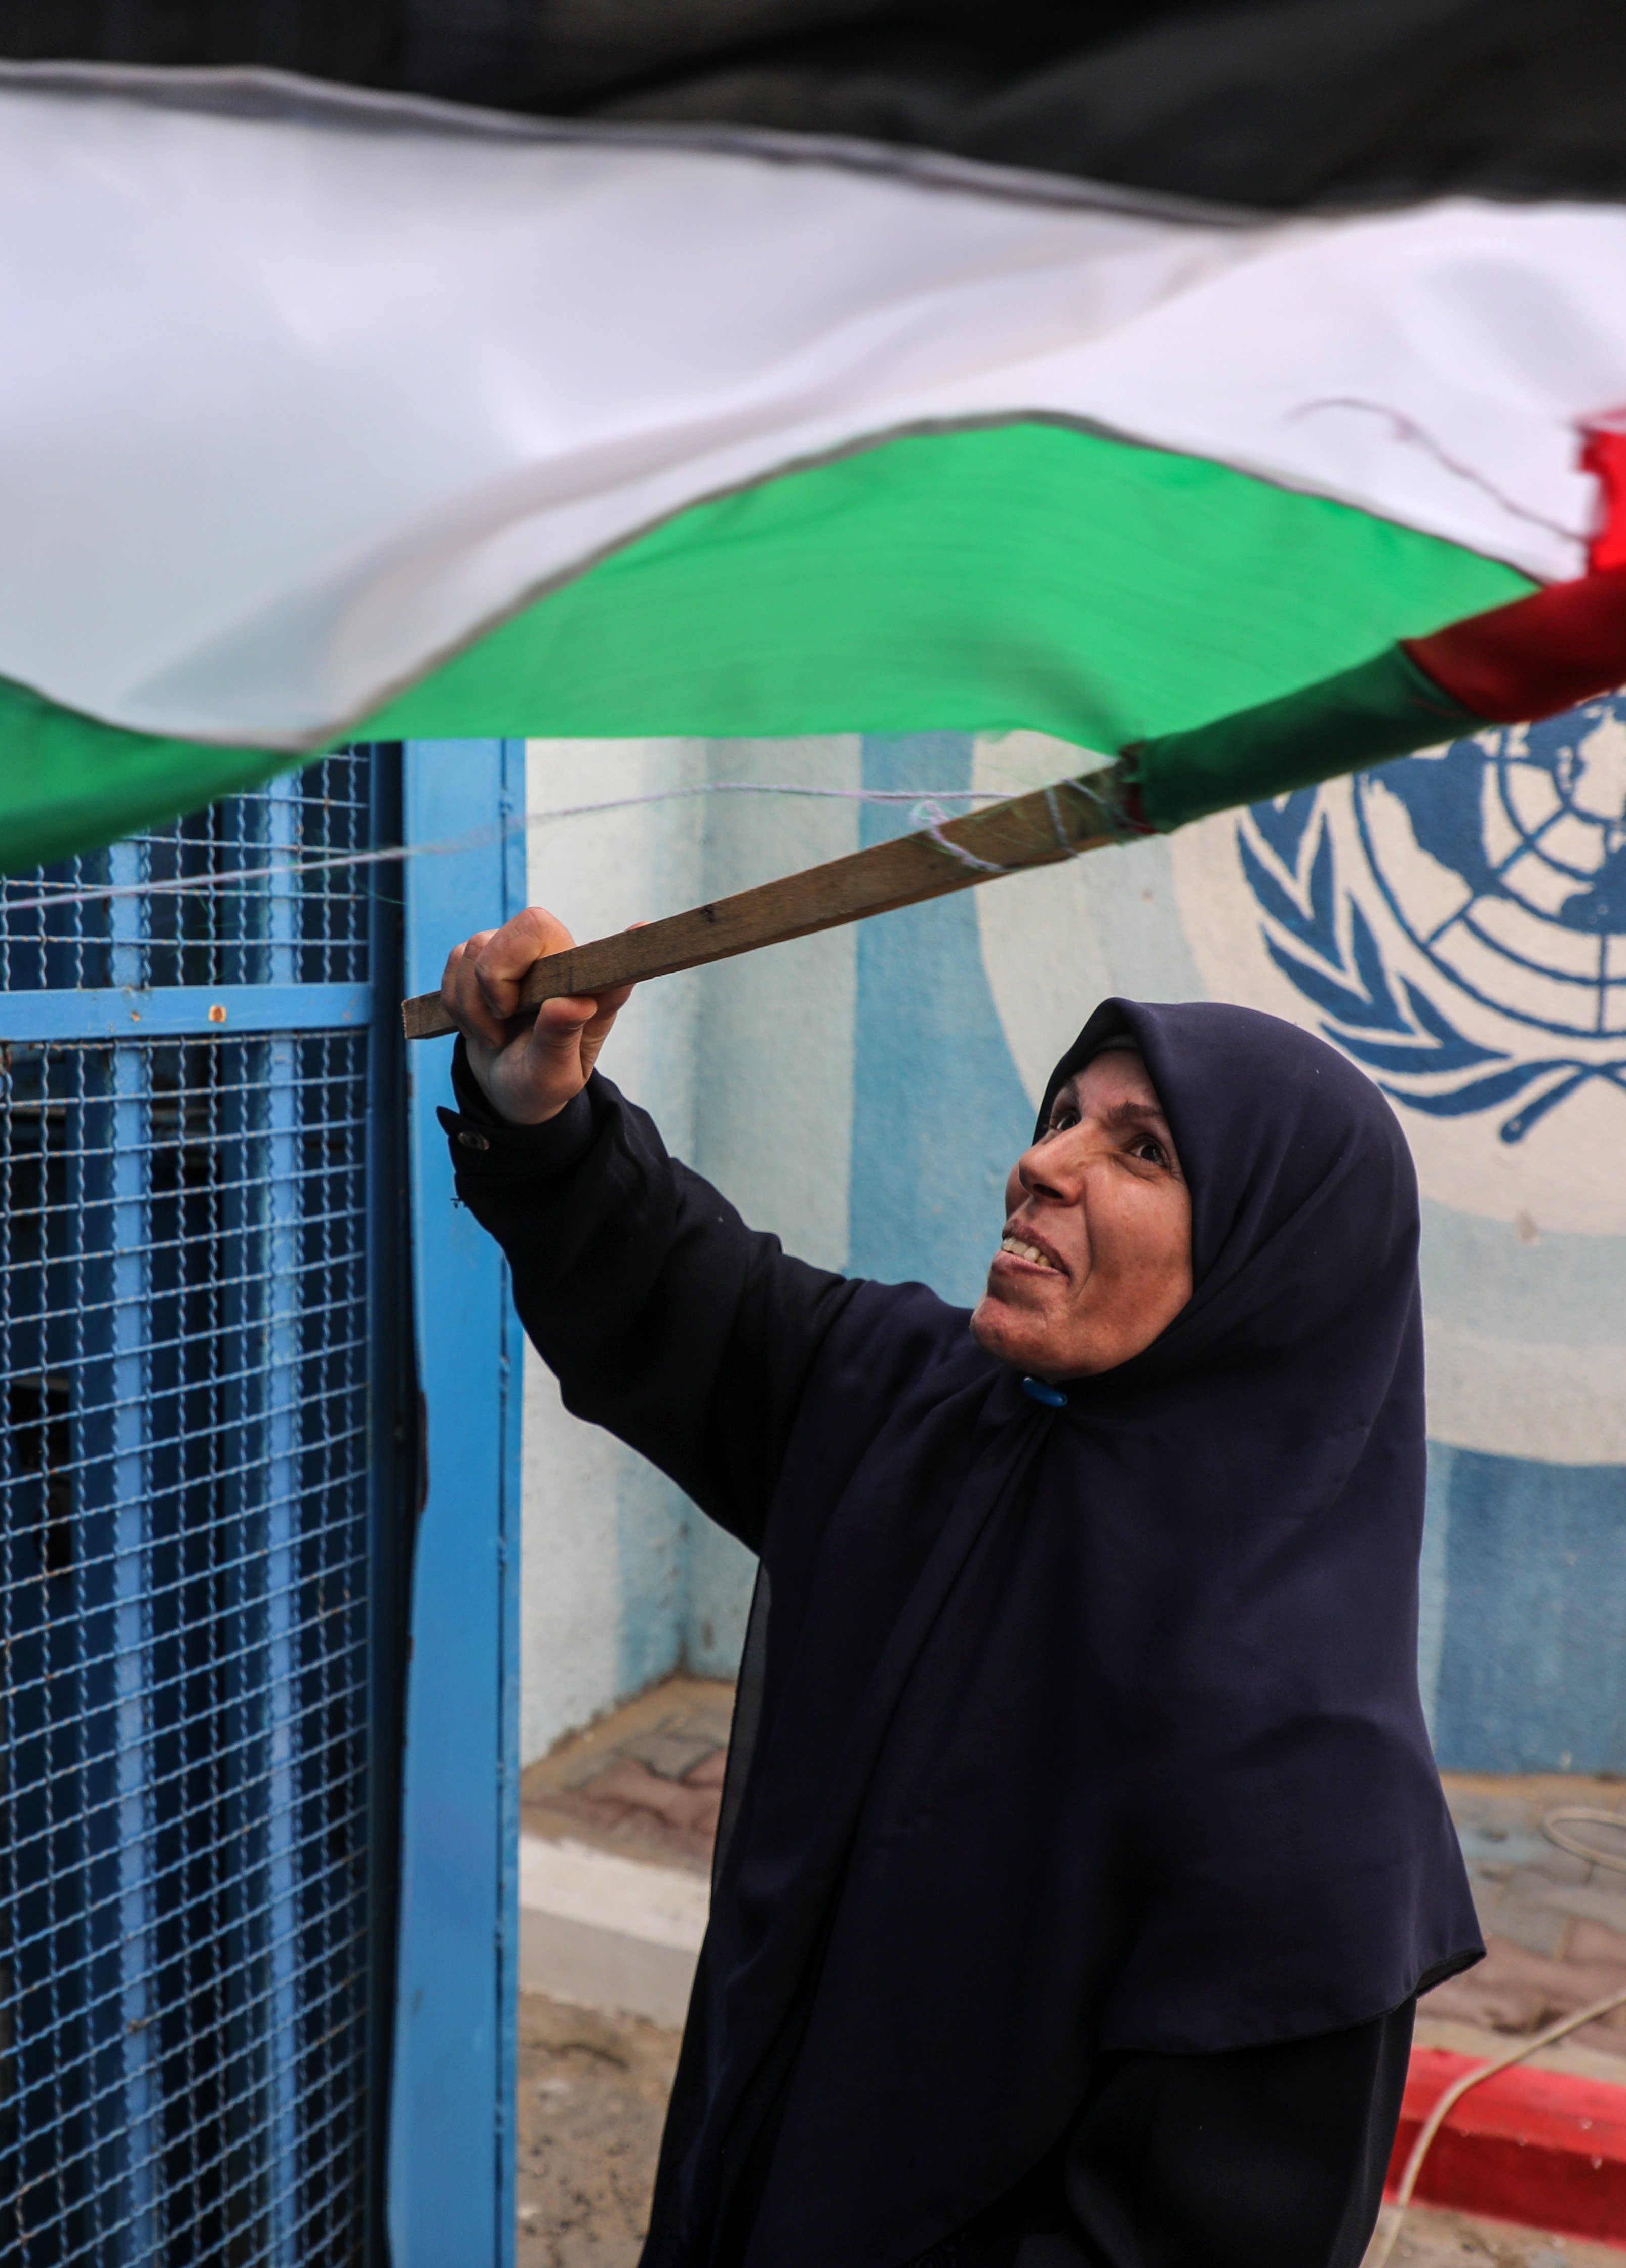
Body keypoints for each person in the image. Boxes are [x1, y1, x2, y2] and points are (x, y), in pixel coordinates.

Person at [435, 909, 1478, 2268]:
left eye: (1142, 1149)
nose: (1043, 1163)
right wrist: (544, 1108)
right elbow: (690, 1295)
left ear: (1275, 1278)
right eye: (1061, 1116)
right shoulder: (927, 1416)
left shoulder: (1314, 1792)